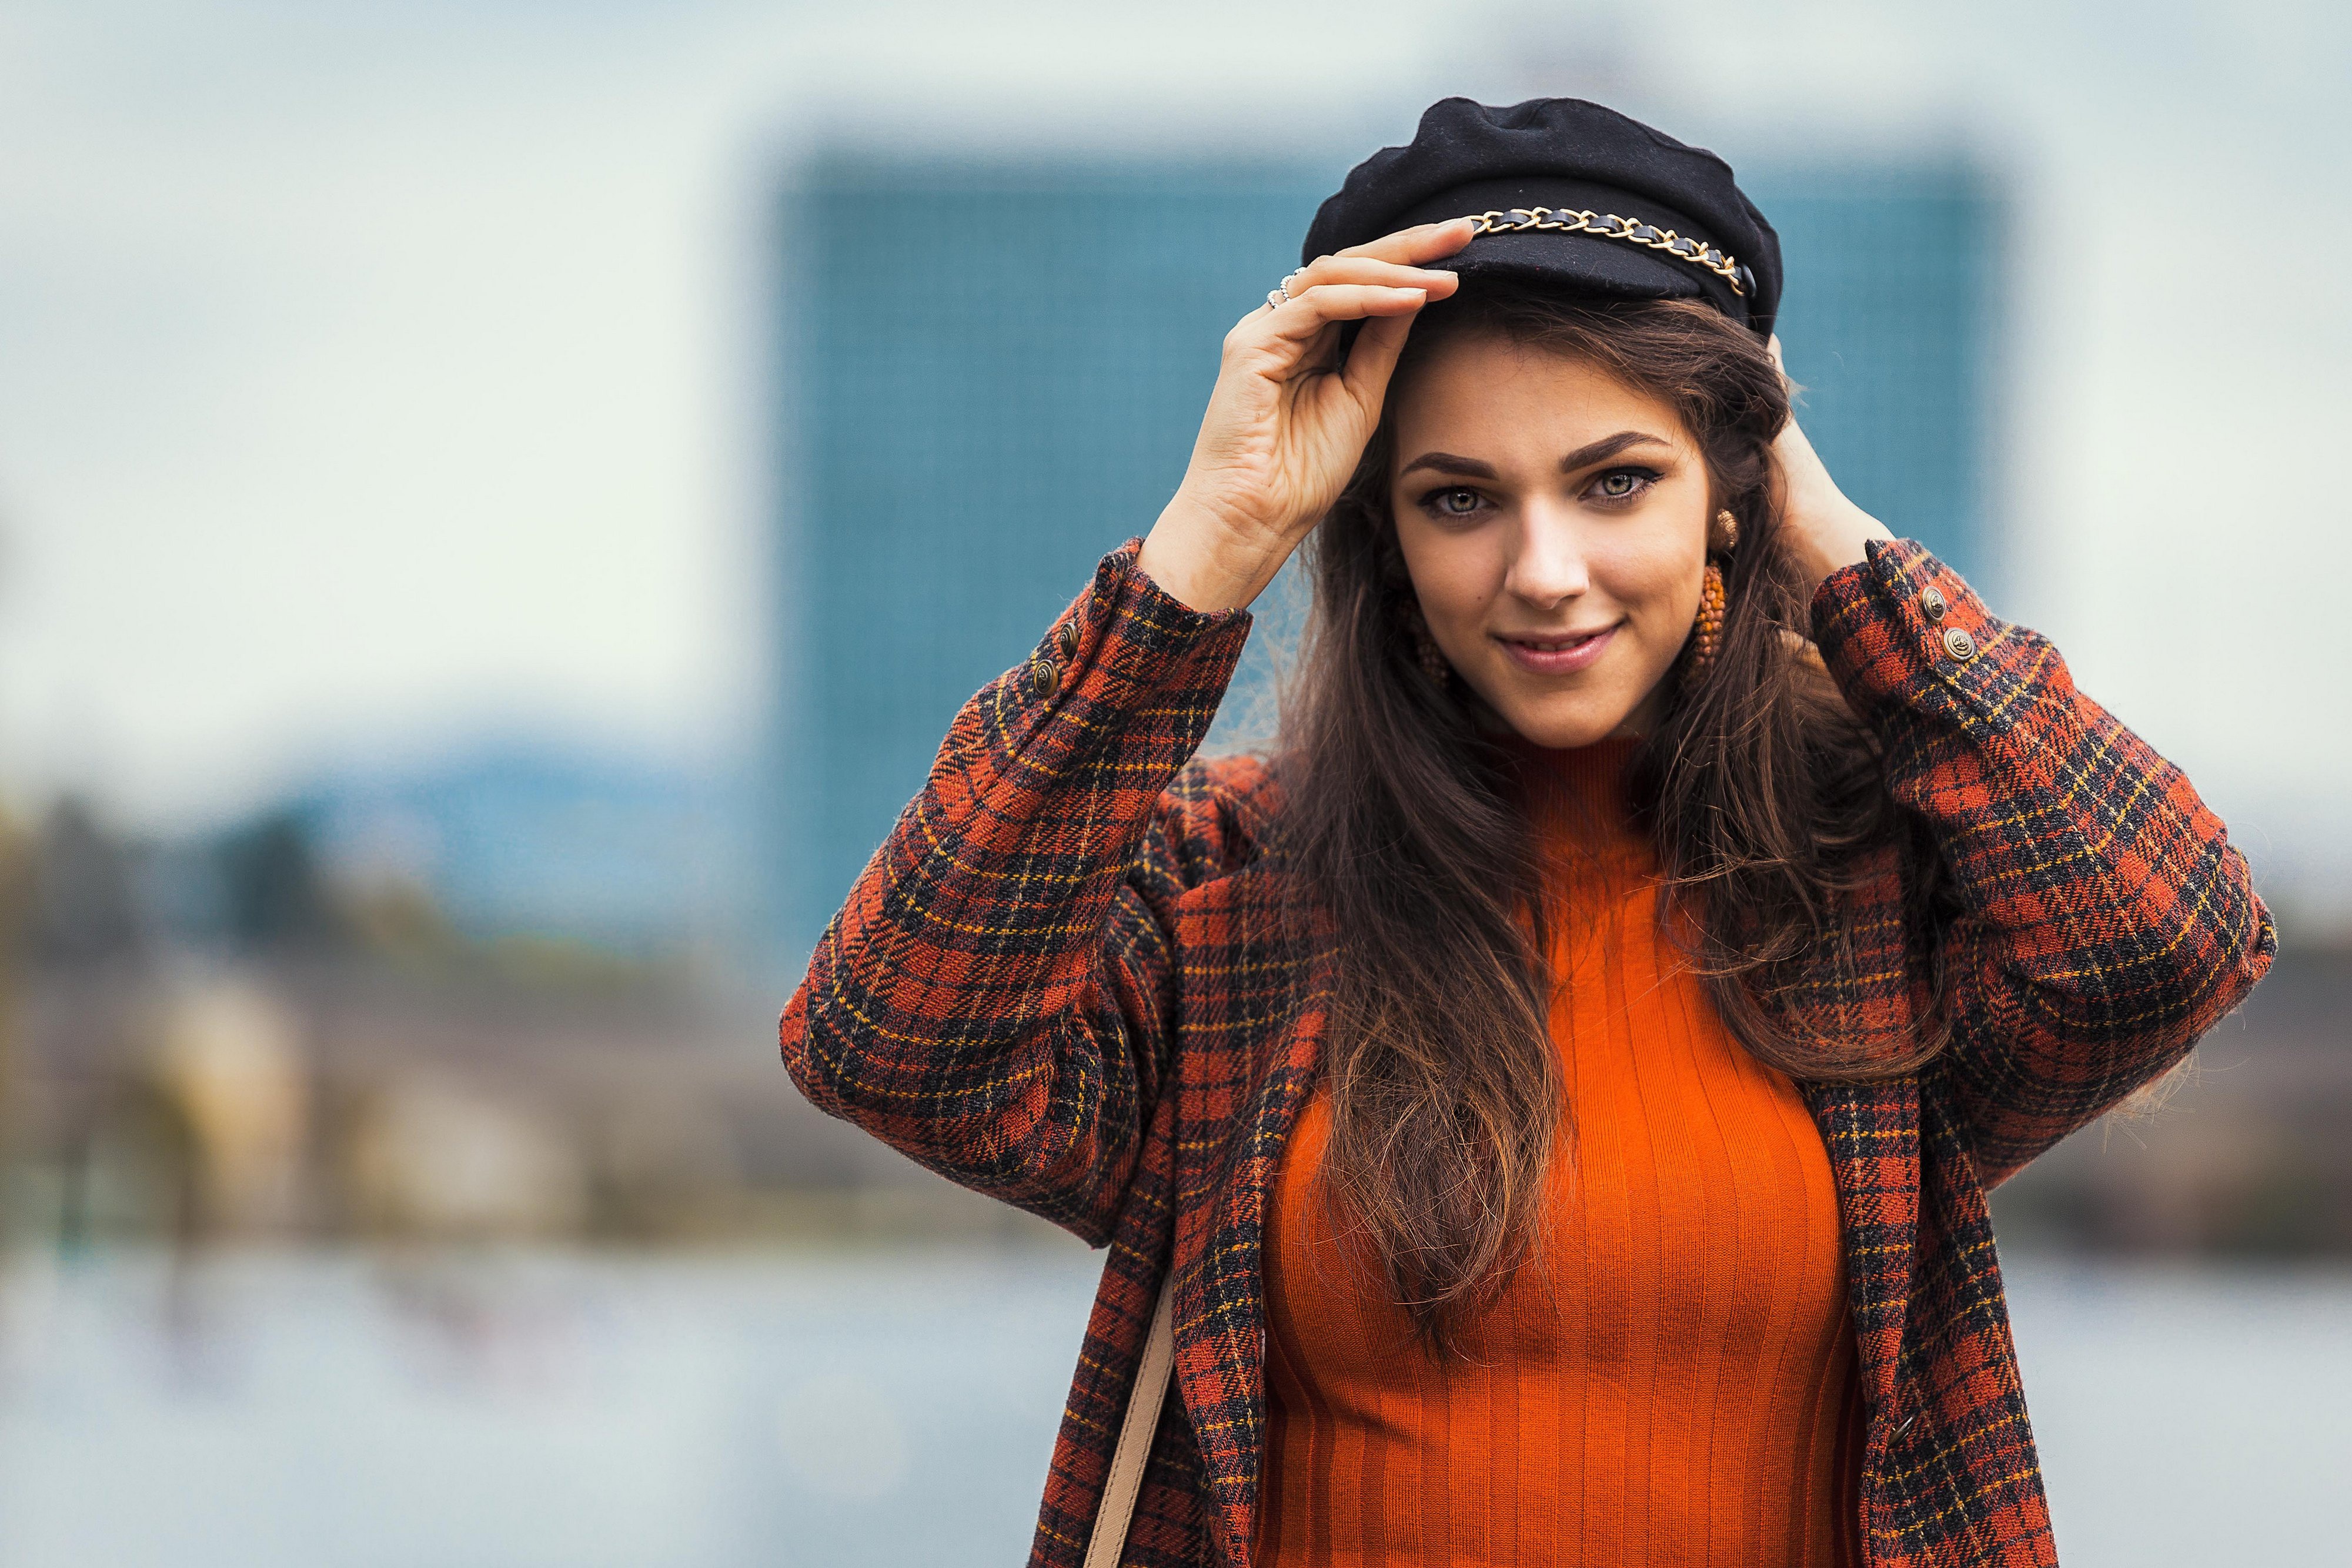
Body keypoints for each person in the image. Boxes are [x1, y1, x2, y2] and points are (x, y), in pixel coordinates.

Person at [781, 97, 2273, 1568]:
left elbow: (2172, 939)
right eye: (1458, 499)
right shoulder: (1236, 885)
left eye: (1615, 478)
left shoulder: (1877, 883)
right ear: (1387, 537)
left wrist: (1836, 554)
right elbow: (889, 1043)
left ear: (1728, 498)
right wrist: (1204, 553)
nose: (1542, 570)